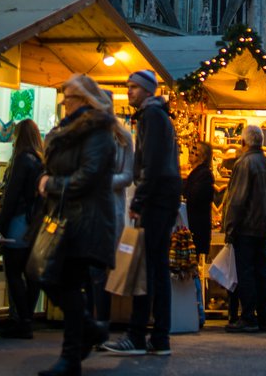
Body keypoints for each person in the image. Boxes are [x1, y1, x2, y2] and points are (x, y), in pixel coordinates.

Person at [37, 74, 119, 376]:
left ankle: (72, 354)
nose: (63, 102)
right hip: (69, 217)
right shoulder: (70, 130)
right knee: (58, 280)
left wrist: (51, 184)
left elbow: (88, 176)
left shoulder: (97, 132)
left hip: (86, 219)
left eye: (68, 97)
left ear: (84, 100)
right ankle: (88, 333)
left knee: (61, 281)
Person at [103, 69, 181, 357]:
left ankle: (138, 335)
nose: (129, 91)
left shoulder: (152, 116)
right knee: (156, 268)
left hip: (157, 199)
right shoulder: (156, 116)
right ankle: (158, 337)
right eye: (128, 86)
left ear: (148, 91)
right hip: (163, 197)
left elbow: (154, 163)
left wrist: (138, 201)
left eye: (134, 87)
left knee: (147, 268)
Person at [222, 124, 266, 334]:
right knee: (262, 272)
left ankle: (248, 316)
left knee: (245, 273)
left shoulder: (244, 164)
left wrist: (230, 227)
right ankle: (265, 317)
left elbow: (237, 200)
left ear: (244, 142)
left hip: (246, 227)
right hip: (263, 227)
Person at [0, 117, 44, 339]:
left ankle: (22, 320)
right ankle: (26, 318)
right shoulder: (39, 160)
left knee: (13, 271)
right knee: (30, 273)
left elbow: (12, 195)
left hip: (18, 220)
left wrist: (0, 225)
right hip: (34, 222)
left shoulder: (21, 160)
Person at [88, 92, 133, 330]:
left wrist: (102, 181)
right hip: (85, 209)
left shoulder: (122, 138)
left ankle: (101, 322)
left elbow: (127, 176)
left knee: (99, 270)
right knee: (85, 269)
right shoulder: (85, 136)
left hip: (109, 208)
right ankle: (87, 322)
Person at [184, 141, 215, 261]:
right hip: (193, 227)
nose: (191, 152)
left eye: (195, 150)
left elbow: (193, 197)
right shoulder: (198, 174)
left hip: (195, 229)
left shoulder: (204, 175)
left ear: (203, 156)